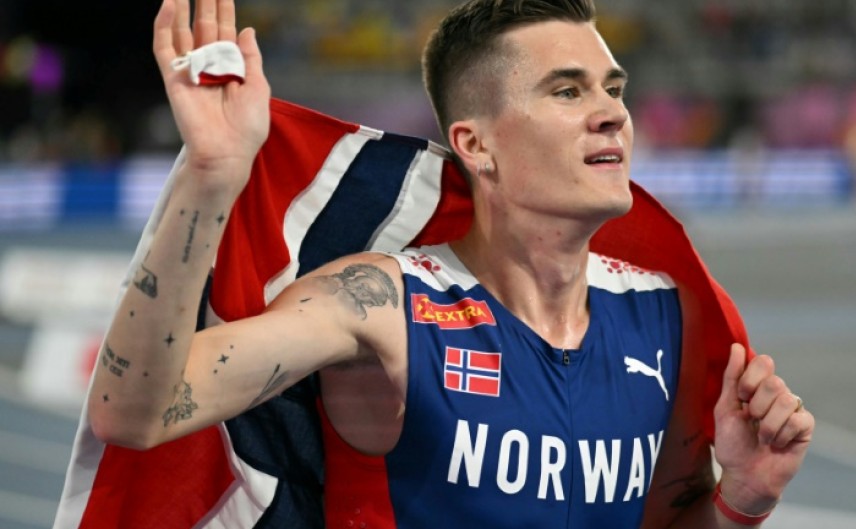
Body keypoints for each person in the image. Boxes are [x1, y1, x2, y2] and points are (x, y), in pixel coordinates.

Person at [87, 0, 815, 527]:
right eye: (568, 90)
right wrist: (212, 173)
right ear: (476, 145)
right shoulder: (380, 306)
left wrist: (740, 502)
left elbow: (674, 516)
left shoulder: (663, 313)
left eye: (613, 89)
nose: (611, 113)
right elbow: (134, 412)